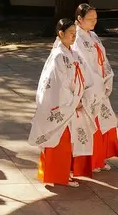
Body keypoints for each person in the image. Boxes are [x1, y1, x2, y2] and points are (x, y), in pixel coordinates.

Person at [28, 18, 96, 187]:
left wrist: (81, 96)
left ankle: (64, 172)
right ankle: (59, 175)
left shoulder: (71, 52)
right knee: (60, 140)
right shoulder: (59, 56)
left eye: (75, 33)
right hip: (62, 104)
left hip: (72, 102)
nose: (74, 37)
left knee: (69, 140)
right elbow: (59, 85)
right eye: (71, 33)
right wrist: (74, 101)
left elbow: (82, 75)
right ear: (61, 34)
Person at [72, 3, 118, 172]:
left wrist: (107, 77)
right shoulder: (76, 38)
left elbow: (103, 59)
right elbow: (82, 64)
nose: (94, 22)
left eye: (95, 19)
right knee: (88, 123)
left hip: (99, 83)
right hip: (89, 86)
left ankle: (99, 158)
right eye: (90, 19)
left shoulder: (93, 35)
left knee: (105, 121)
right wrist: (94, 84)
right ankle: (90, 162)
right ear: (79, 19)